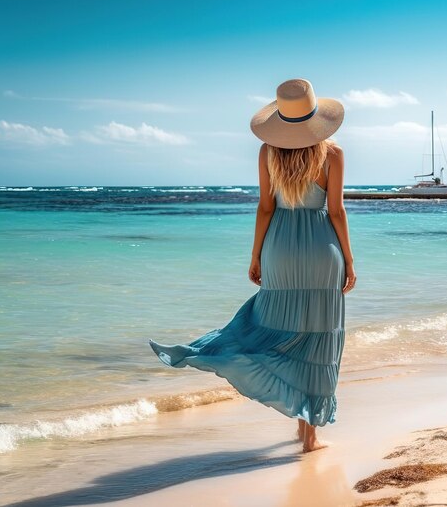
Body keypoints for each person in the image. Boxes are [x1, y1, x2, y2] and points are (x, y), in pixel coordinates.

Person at [149, 78, 356, 453]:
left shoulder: (267, 153)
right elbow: (337, 212)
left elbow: (265, 207)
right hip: (322, 250)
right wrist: (350, 261)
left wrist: (256, 254)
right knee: (319, 339)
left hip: (279, 247)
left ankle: (214, 354)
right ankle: (309, 435)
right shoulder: (334, 155)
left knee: (273, 329)